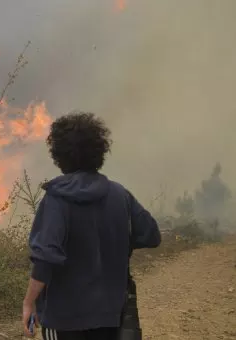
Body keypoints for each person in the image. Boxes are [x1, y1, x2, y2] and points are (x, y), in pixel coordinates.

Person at [21, 112, 161, 339]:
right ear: (99, 150)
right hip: (110, 315)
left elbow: (46, 257)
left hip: (64, 319)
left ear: (58, 154)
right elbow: (151, 235)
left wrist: (29, 303)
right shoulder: (120, 195)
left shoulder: (57, 199)